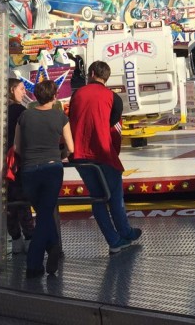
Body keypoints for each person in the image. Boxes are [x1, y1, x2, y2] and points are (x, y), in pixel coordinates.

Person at [68, 61, 142, 254]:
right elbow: (112, 124)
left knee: (98, 198)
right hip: (104, 153)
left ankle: (114, 240)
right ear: (105, 76)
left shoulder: (77, 95)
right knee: (115, 196)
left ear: (91, 73)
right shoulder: (113, 98)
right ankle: (125, 231)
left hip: (81, 154)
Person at [14, 79, 73, 278]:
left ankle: (53, 247)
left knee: (43, 213)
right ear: (55, 96)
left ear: (36, 96)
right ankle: (34, 264)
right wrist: (59, 155)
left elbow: (17, 148)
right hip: (52, 169)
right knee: (46, 215)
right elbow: (70, 148)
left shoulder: (25, 116)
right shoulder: (60, 117)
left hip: (29, 170)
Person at [6, 78, 34, 254]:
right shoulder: (20, 111)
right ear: (11, 90)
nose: (24, 92)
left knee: (8, 202)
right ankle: (30, 236)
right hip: (17, 161)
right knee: (22, 200)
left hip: (1, 163)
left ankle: (15, 238)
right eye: (22, 89)